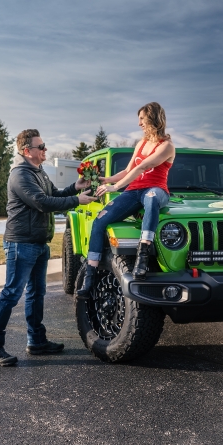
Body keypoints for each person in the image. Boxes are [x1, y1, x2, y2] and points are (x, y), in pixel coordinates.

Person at [0, 129, 96, 366]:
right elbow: (42, 203)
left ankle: (37, 342)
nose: (45, 150)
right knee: (11, 294)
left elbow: (54, 194)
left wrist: (76, 187)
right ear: (27, 151)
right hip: (20, 244)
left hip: (38, 244)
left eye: (45, 145)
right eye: (41, 146)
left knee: (36, 294)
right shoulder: (20, 175)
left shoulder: (38, 172)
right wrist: (77, 200)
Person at [78, 102, 175, 298]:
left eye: (142, 118)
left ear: (153, 118)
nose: (139, 123)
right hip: (134, 191)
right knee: (99, 221)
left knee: (151, 198)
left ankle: (143, 256)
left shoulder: (166, 146)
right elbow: (129, 170)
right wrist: (107, 179)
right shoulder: (140, 144)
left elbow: (142, 168)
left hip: (156, 190)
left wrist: (115, 187)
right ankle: (90, 276)